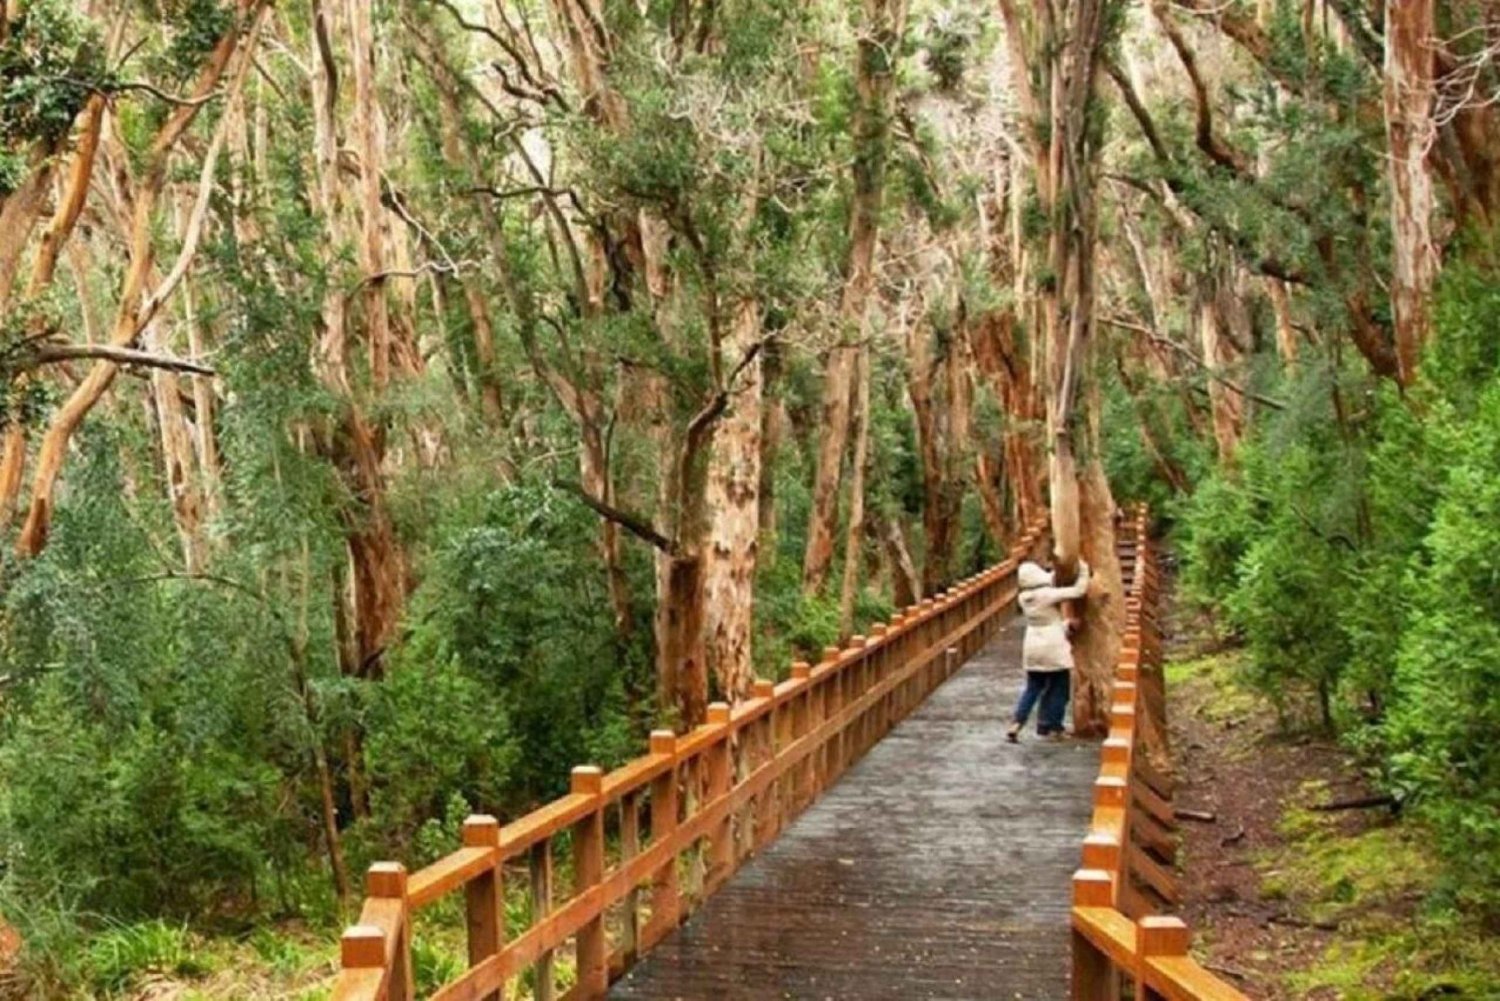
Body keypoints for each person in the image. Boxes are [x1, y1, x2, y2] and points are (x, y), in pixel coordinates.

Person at [1006, 558, 1091, 742]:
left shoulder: (1023, 598)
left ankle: (1017, 723)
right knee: (1060, 687)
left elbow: (1047, 615)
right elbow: (1078, 590)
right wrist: (1083, 568)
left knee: (1033, 687)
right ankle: (1053, 726)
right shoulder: (1047, 595)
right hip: (1052, 645)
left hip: (1032, 644)